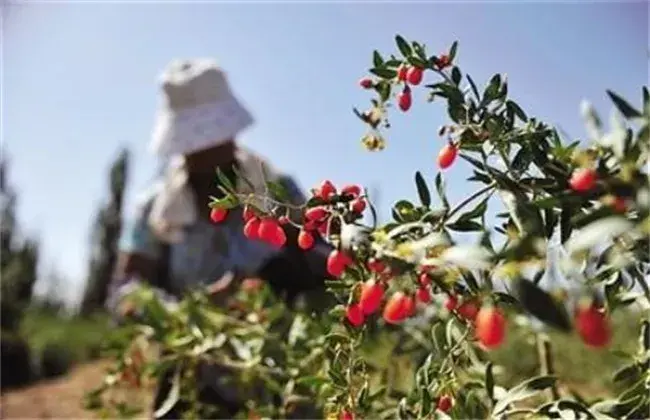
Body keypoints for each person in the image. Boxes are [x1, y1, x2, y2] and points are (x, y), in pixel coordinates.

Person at [106, 58, 333, 419]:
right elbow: (124, 292)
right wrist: (188, 311)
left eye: (216, 142)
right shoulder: (154, 209)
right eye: (197, 147)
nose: (209, 158)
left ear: (232, 135)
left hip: (280, 382)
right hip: (193, 380)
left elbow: (325, 257)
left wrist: (285, 271)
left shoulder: (277, 191)